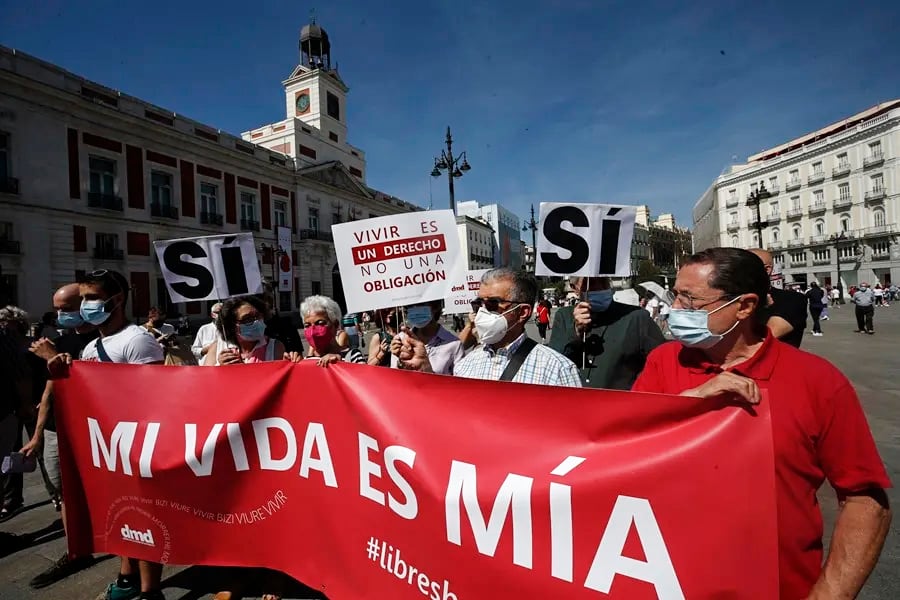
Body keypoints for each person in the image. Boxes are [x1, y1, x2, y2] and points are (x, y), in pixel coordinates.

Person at [631, 247, 891, 599]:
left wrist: (830, 593)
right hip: (664, 581)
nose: (674, 310)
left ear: (744, 306)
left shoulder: (817, 381)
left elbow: (865, 500)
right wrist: (689, 402)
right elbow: (624, 447)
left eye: (690, 300)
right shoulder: (663, 362)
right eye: (675, 295)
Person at [60, 270, 166, 600]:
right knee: (119, 514)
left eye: (91, 298)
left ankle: (150, 591)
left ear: (116, 300)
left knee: (143, 518)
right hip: (106, 446)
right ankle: (126, 578)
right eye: (84, 299)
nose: (85, 305)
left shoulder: (137, 340)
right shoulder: (93, 344)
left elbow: (153, 395)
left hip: (136, 444)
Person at [22, 284, 99, 588]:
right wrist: (38, 433)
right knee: (64, 492)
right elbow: (50, 389)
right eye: (57, 309)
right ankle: (76, 551)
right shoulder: (58, 340)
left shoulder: (101, 340)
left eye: (66, 308)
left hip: (93, 430)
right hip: (57, 430)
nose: (60, 315)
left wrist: (54, 357)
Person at [395, 268, 581, 387]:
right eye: (478, 304)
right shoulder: (465, 366)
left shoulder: (558, 370)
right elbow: (450, 413)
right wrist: (426, 370)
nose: (482, 312)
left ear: (523, 312)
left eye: (492, 303)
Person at [549, 277, 665, 390]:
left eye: (604, 281)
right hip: (573, 403)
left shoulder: (636, 317)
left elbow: (664, 362)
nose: (600, 288)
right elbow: (553, 365)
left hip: (619, 405)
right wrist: (576, 332)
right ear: (575, 288)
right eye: (592, 283)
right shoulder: (564, 317)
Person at [749, 249, 807, 347]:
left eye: (743, 268)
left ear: (767, 269)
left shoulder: (792, 299)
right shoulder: (732, 299)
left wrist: (761, 308)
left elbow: (763, 339)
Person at [204, 296, 284, 366]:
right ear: (231, 325)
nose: (256, 321)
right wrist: (219, 366)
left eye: (258, 316)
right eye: (247, 319)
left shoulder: (274, 346)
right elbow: (205, 378)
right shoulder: (217, 347)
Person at [389, 300, 463, 375]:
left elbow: (461, 384)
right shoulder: (401, 339)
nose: (415, 309)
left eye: (421, 304)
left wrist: (426, 368)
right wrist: (401, 364)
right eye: (410, 306)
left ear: (435, 307)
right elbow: (394, 379)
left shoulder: (453, 344)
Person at [300, 296, 366, 365]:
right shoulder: (305, 362)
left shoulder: (353, 357)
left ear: (335, 325)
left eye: (320, 323)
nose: (312, 332)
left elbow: (364, 374)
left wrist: (340, 363)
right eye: (307, 326)